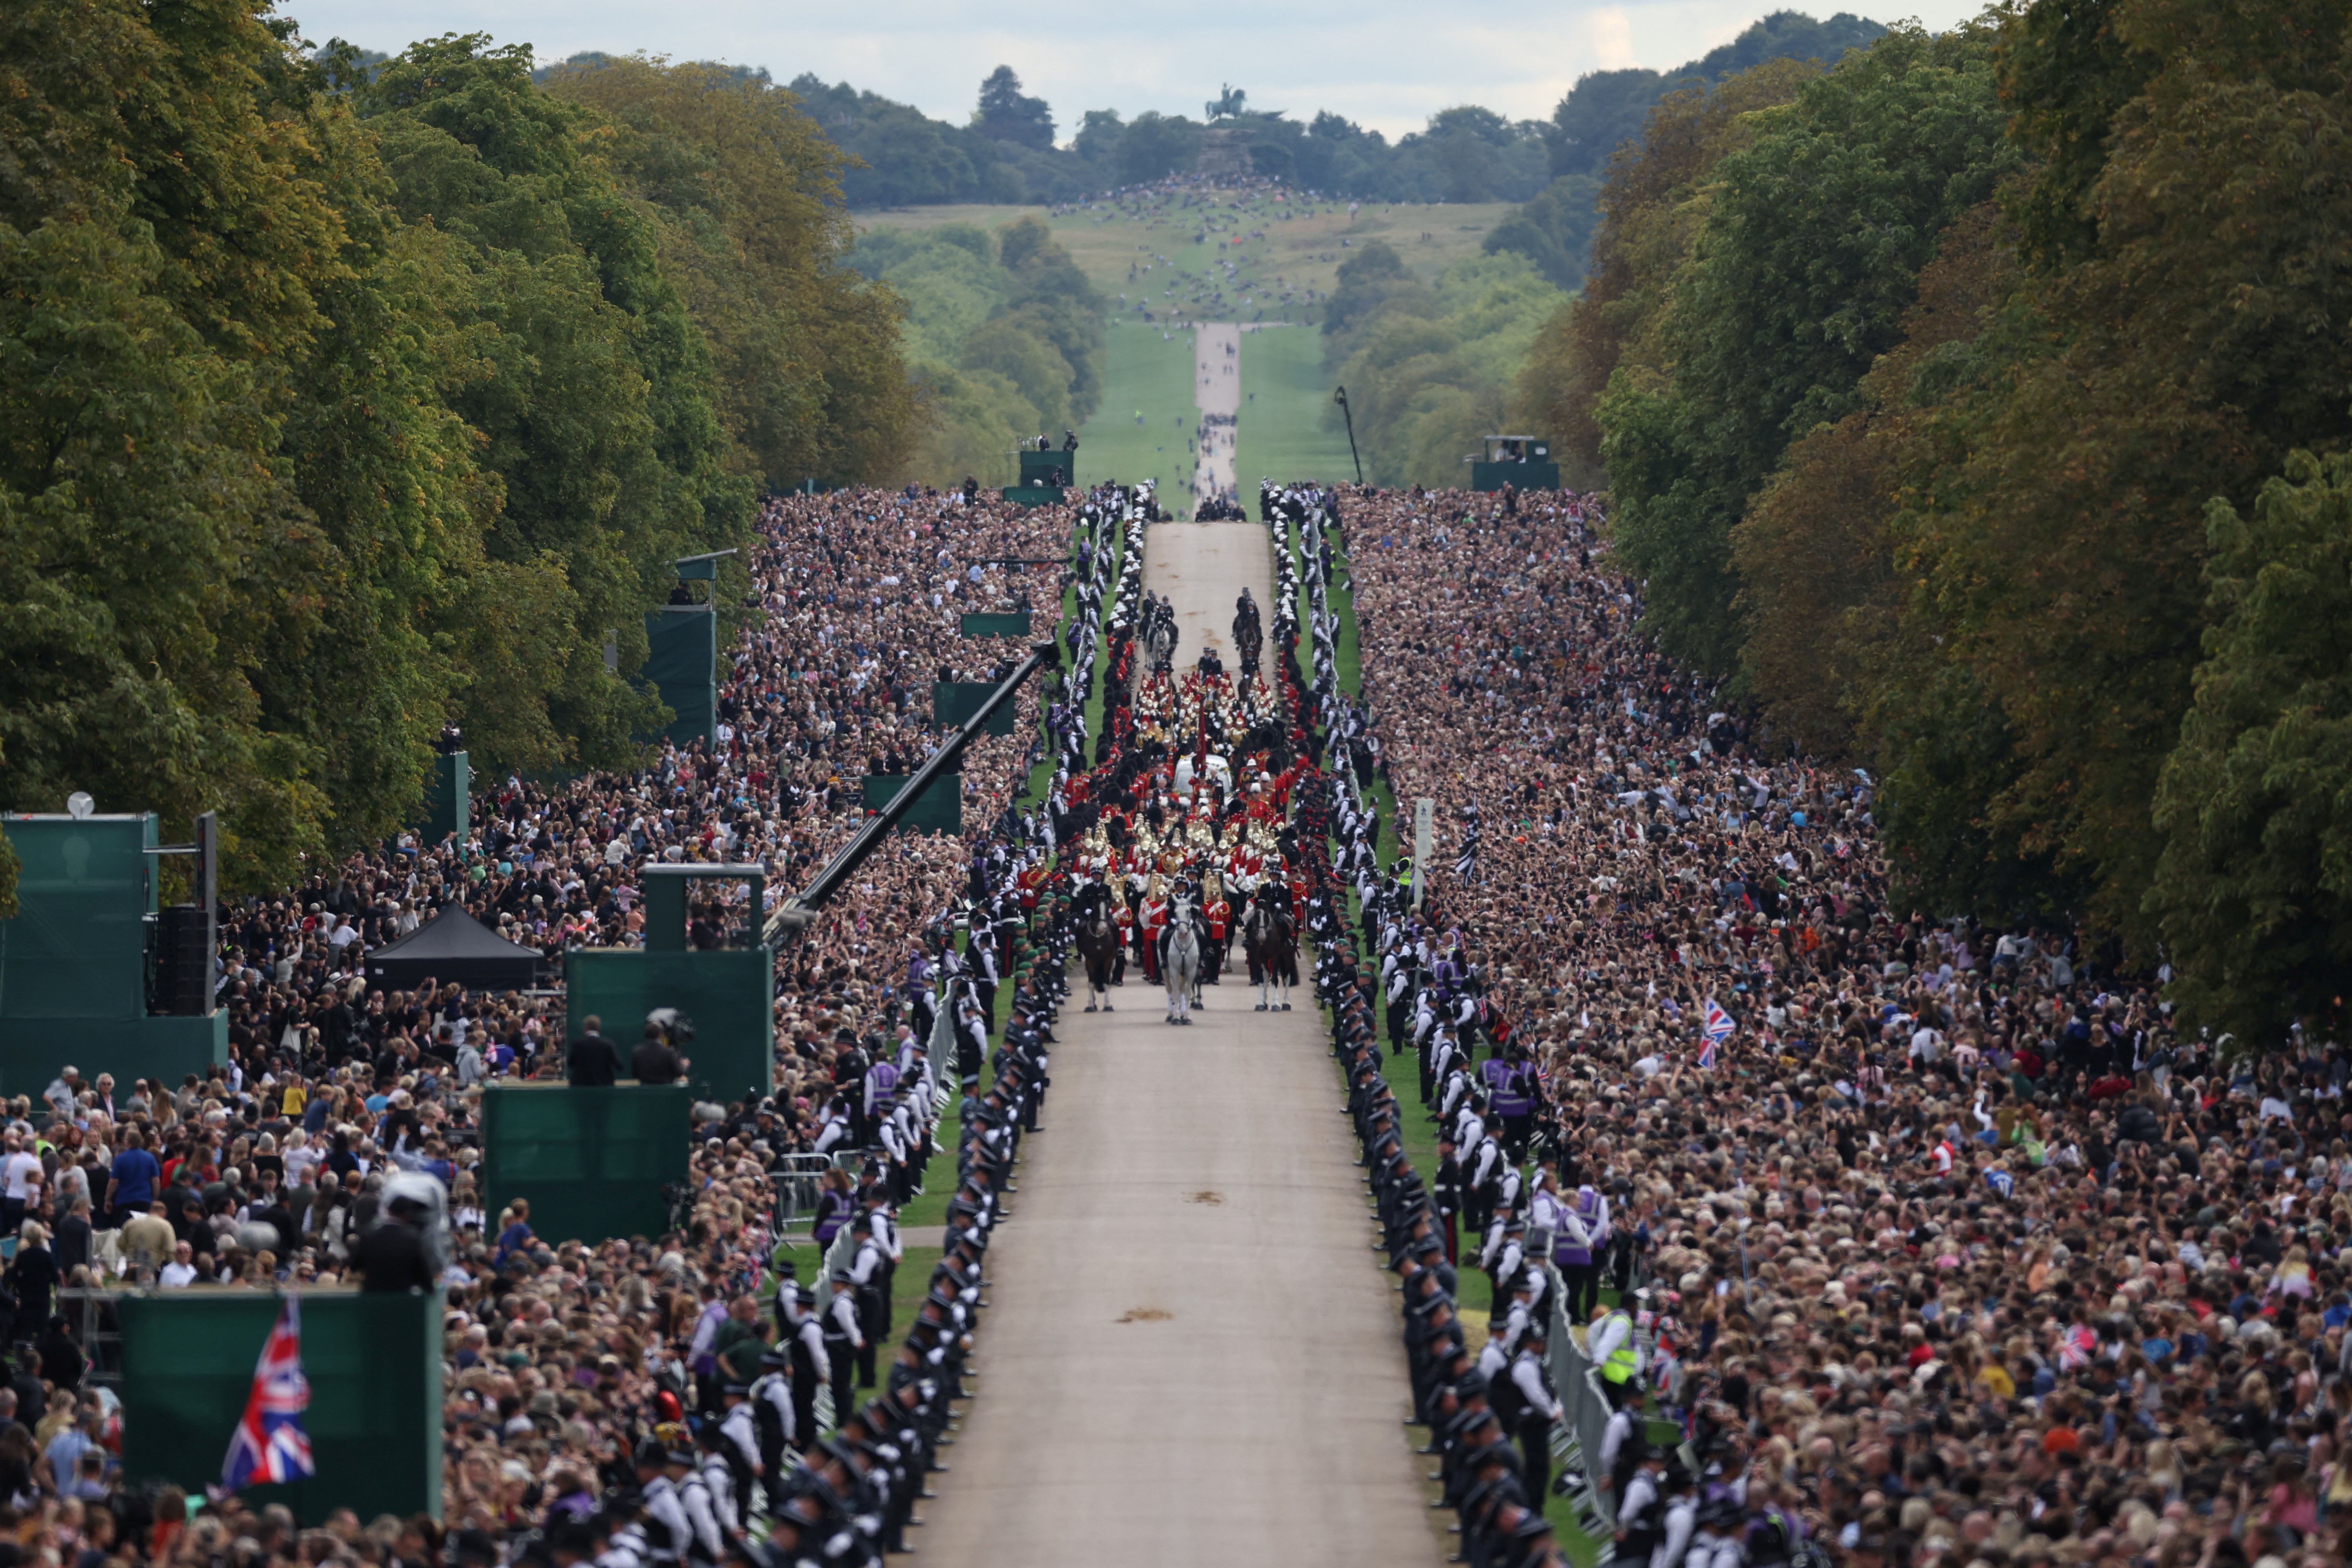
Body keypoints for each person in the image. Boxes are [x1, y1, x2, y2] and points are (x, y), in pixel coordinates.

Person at [568, 1016, 622, 1086]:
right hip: (604, 1087)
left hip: (581, 1088)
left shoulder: (577, 1045)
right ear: (599, 1029)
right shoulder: (607, 1045)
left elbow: (571, 1063)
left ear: (586, 1029)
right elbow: (619, 1066)